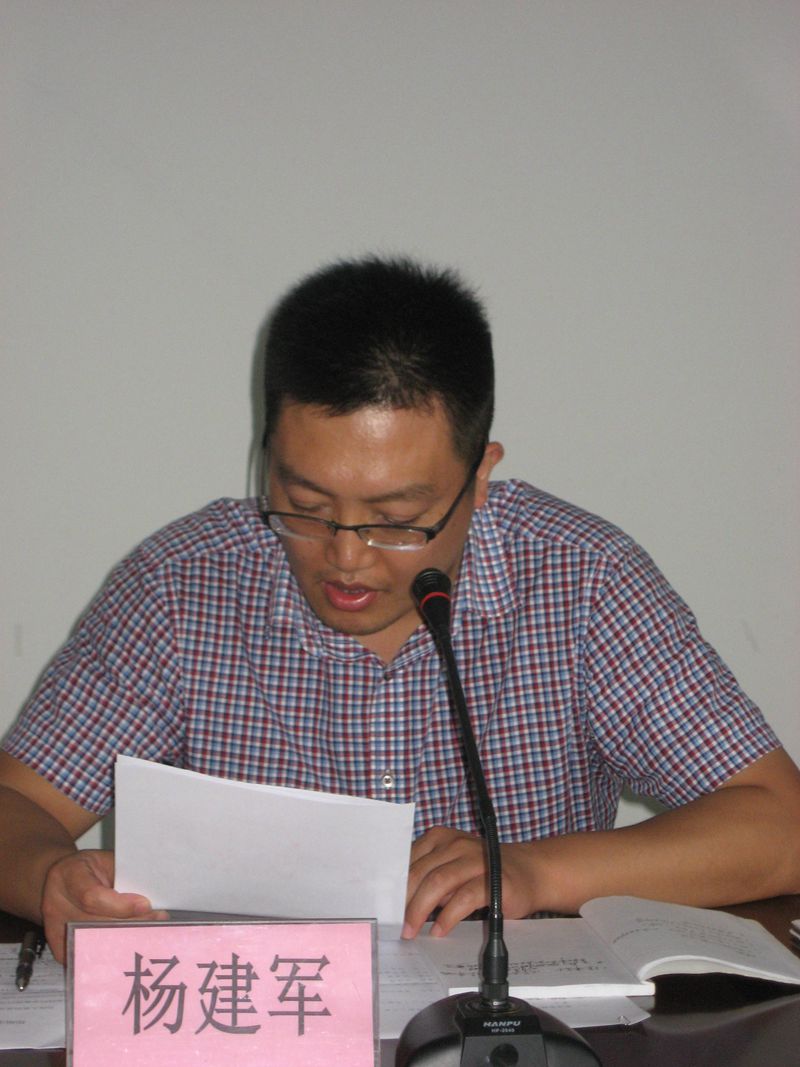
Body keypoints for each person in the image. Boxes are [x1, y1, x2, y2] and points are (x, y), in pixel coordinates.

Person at [2, 256, 800, 965]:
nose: (346, 556)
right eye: (306, 504)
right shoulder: (180, 588)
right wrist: (51, 878)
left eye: (396, 518)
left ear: (479, 477)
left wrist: (531, 871)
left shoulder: (582, 580)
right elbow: (18, 804)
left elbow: (779, 824)